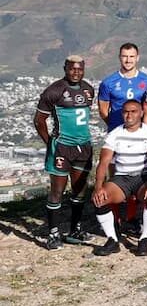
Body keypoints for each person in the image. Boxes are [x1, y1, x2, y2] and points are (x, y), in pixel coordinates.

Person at [34, 56, 97, 249]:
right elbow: (39, 120)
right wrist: (50, 143)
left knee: (79, 191)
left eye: (80, 69)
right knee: (57, 192)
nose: (76, 72)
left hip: (83, 146)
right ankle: (53, 234)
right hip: (62, 147)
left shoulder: (88, 89)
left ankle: (74, 230)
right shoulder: (54, 90)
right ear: (65, 68)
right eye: (72, 69)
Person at [90, 100, 147, 256]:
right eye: (126, 112)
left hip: (143, 177)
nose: (129, 115)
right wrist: (98, 187)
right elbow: (104, 162)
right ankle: (112, 240)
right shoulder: (115, 133)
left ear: (141, 113)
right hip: (122, 178)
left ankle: (144, 239)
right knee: (100, 199)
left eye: (133, 111)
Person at [97, 42, 147, 131]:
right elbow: (103, 112)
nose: (128, 60)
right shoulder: (108, 83)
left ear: (137, 58)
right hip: (117, 131)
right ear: (119, 57)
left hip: (140, 131)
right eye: (124, 56)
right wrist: (115, 124)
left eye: (131, 56)